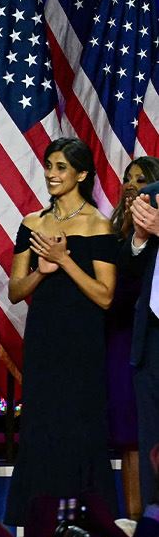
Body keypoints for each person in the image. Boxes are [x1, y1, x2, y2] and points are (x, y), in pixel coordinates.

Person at [4, 137, 117, 525]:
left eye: (61, 168)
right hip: (44, 340)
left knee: (77, 432)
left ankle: (82, 529)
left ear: (81, 174)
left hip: (81, 344)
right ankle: (45, 530)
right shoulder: (32, 223)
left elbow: (104, 296)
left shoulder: (99, 225)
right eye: (49, 166)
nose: (51, 175)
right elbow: (16, 291)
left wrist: (65, 261)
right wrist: (42, 270)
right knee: (42, 430)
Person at [107, 157, 159, 480]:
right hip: (151, 339)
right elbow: (128, 270)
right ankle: (152, 523)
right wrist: (140, 238)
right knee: (149, 440)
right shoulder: (151, 197)